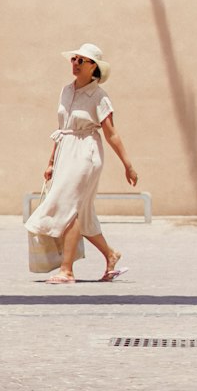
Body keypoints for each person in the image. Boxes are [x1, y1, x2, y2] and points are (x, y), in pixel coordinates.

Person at [25, 42, 138, 284]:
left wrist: (127, 165)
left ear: (93, 66)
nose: (75, 64)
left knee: (69, 206)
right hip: (66, 150)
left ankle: (67, 270)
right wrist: (51, 161)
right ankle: (110, 254)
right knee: (81, 213)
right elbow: (61, 128)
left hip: (86, 153)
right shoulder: (66, 90)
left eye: (81, 61)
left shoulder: (99, 96)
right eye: (73, 59)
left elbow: (111, 133)